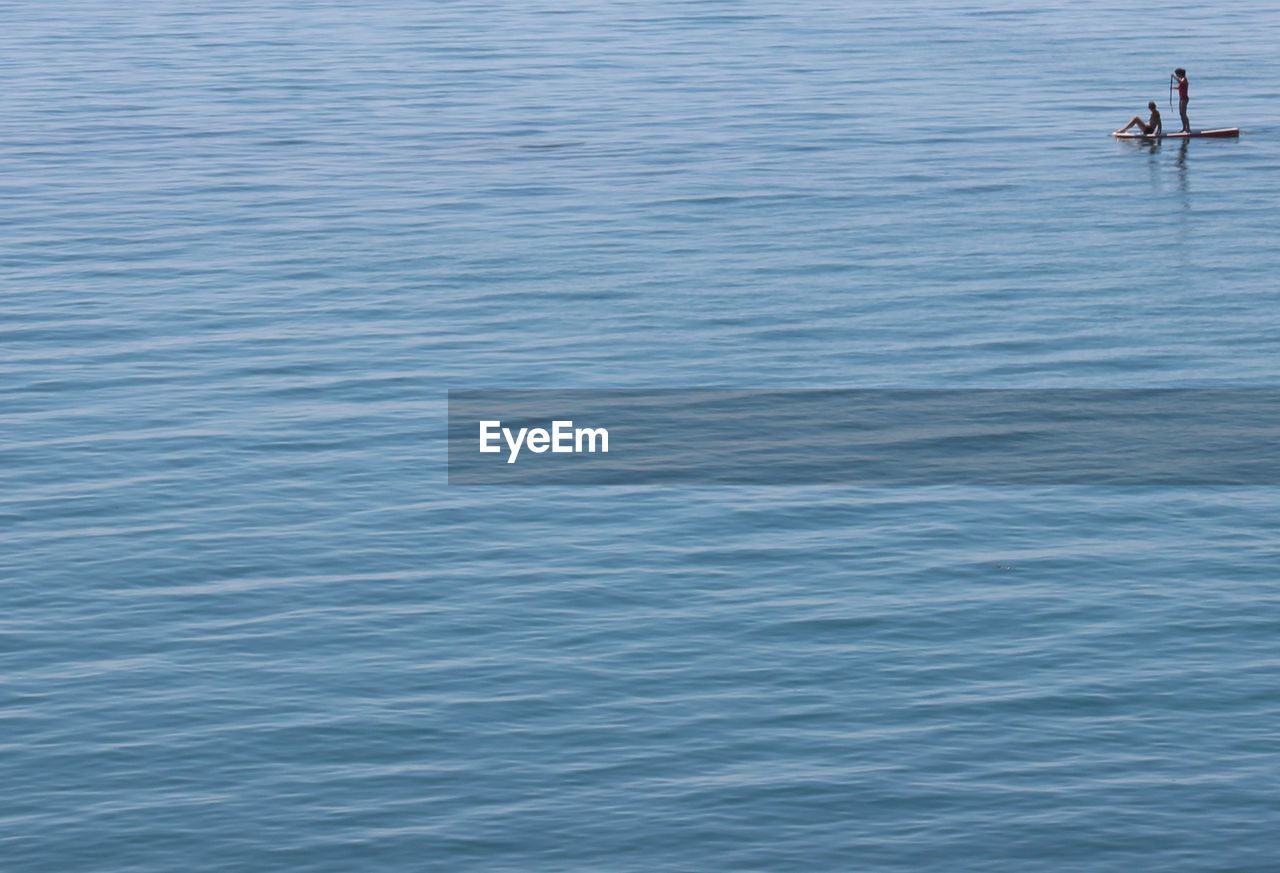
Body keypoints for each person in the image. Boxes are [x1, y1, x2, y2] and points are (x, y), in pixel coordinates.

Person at [1172, 68, 1190, 132]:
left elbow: (1181, 82)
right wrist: (1173, 88)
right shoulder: (1181, 79)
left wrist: (1174, 77)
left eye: (1177, 74)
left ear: (1180, 74)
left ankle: (1188, 128)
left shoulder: (1184, 79)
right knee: (1181, 114)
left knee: (1184, 114)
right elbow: (1180, 87)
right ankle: (1184, 128)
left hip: (1185, 99)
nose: (1177, 75)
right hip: (1181, 98)